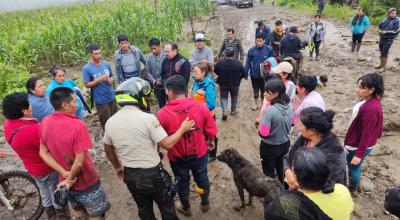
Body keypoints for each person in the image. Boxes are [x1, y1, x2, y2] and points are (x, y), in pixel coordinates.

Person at [103, 77, 195, 220]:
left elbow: (107, 147)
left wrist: (117, 167)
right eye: (145, 95)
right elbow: (168, 144)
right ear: (138, 96)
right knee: (166, 206)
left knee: (144, 210)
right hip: (152, 173)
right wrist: (182, 129)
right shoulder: (148, 119)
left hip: (130, 174)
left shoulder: (110, 122)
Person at [39, 87, 110, 220]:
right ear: (65, 105)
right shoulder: (77, 125)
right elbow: (79, 161)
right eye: (75, 101)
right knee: (97, 214)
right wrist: (70, 178)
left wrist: (64, 174)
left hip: (65, 182)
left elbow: (43, 153)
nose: (77, 104)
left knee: (79, 213)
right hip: (86, 180)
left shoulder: (45, 122)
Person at [2, 93, 70, 220]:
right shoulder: (33, 130)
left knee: (45, 194)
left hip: (32, 167)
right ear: (24, 111)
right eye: (29, 105)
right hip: (47, 167)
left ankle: (52, 216)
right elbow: (50, 150)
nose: (31, 106)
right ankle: (62, 216)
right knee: (56, 193)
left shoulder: (8, 125)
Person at [157, 75, 217, 216]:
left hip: (177, 156)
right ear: (186, 89)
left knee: (181, 182)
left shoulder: (162, 114)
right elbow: (210, 129)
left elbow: (159, 139)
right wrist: (211, 140)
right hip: (200, 153)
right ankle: (205, 202)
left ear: (170, 92)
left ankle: (186, 207)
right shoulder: (201, 107)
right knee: (202, 178)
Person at [266, 148, 354, 220]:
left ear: (296, 177)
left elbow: (268, 214)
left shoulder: (287, 204)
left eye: (292, 170)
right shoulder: (342, 189)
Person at [284, 107, 347, 193]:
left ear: (312, 131)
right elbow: (287, 158)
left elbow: (328, 186)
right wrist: (288, 172)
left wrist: (299, 184)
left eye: (301, 125)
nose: (298, 127)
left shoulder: (335, 153)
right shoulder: (305, 138)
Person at [345, 73, 384, 194]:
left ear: (371, 90)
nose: (357, 90)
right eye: (357, 86)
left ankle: (352, 189)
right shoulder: (372, 99)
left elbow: (367, 133)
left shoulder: (371, 109)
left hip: (357, 145)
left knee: (354, 167)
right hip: (362, 142)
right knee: (356, 166)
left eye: (361, 88)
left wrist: (358, 154)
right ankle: (354, 185)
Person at [258, 79, 293, 183]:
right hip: (285, 144)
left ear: (276, 94)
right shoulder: (290, 106)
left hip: (269, 147)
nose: (264, 94)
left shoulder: (269, 111)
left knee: (269, 173)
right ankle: (284, 191)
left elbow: (264, 134)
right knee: (282, 170)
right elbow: (293, 123)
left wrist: (259, 127)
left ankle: (272, 197)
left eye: (267, 92)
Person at [82, 44, 118, 130]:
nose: (98, 55)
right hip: (101, 100)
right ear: (91, 55)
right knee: (106, 123)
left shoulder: (106, 64)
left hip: (111, 96)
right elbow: (86, 84)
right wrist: (98, 80)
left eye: (100, 53)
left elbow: (112, 75)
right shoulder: (87, 68)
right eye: (96, 54)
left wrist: (111, 79)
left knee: (116, 120)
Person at [192, 63, 218, 162]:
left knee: (210, 134)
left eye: (196, 72)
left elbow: (211, 104)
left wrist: (198, 108)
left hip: (208, 115)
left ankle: (212, 154)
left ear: (203, 73)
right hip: (198, 115)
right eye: (193, 72)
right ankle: (204, 151)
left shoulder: (208, 85)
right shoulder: (196, 82)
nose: (194, 74)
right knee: (201, 134)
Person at [215, 49, 246, 120]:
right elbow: (244, 73)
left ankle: (224, 111)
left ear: (225, 54)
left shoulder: (220, 63)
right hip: (235, 83)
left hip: (223, 83)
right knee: (234, 96)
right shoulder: (238, 63)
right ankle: (233, 110)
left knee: (223, 97)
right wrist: (239, 77)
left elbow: (216, 71)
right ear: (234, 54)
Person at [245, 34, 274, 111]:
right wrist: (245, 72)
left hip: (265, 75)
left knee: (264, 89)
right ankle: (256, 103)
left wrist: (273, 73)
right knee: (255, 89)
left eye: (260, 41)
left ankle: (263, 104)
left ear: (264, 41)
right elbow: (248, 62)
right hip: (254, 74)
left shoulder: (269, 49)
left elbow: (272, 60)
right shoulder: (251, 50)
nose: (258, 43)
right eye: (257, 41)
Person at [144, 38, 167, 108]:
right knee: (161, 104)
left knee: (170, 102)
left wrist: (160, 79)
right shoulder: (149, 58)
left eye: (155, 48)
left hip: (166, 84)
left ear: (159, 46)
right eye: (151, 49)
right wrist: (154, 81)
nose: (153, 51)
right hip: (156, 86)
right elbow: (147, 71)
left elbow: (167, 70)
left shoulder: (166, 56)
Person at [376, 8, 400, 72]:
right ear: (389, 13)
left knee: (384, 51)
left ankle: (383, 67)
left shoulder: (397, 20)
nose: (393, 14)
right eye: (392, 13)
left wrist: (386, 32)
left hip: (389, 38)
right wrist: (379, 29)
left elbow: (396, 30)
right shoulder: (385, 19)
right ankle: (381, 65)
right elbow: (379, 25)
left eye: (394, 13)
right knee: (381, 51)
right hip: (382, 37)